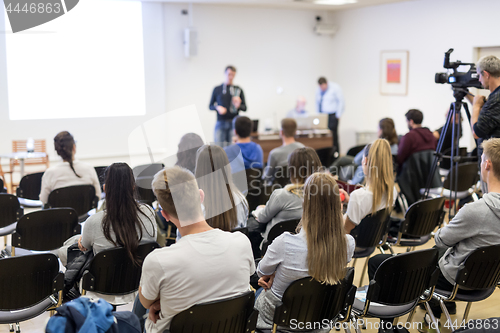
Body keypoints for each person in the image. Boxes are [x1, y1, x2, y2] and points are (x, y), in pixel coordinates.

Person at [369, 138, 500, 333]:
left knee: (380, 262)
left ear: (487, 164)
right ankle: (435, 311)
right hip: (486, 280)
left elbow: (440, 239)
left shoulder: (475, 211)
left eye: (481, 159)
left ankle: (387, 329)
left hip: (454, 280)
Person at [138, 166, 255, 333]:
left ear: (165, 215)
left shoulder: (159, 260)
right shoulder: (241, 243)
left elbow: (145, 302)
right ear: (201, 196)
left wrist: (162, 302)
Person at [254, 172, 355, 331]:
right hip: (320, 315)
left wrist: (274, 274)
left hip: (278, 319)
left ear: (305, 204)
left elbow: (261, 272)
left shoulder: (285, 243)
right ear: (338, 205)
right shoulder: (348, 243)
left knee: (257, 292)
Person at [78, 163, 157, 304]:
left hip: (103, 288)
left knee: (69, 249)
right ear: (133, 187)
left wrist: (81, 242)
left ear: (105, 189)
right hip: (139, 282)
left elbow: (85, 246)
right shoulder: (149, 212)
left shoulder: (94, 222)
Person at [252, 147, 322, 244]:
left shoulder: (281, 195)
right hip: (310, 246)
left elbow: (262, 218)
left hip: (275, 247)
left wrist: (259, 209)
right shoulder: (324, 195)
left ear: (292, 170)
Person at [343, 139, 396, 234]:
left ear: (365, 161)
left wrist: (337, 209)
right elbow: (369, 204)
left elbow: (345, 232)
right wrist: (350, 200)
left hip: (354, 245)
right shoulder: (392, 191)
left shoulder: (358, 196)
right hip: (373, 241)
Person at [195, 144, 248, 230]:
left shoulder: (193, 205)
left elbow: (182, 238)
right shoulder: (241, 200)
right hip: (233, 243)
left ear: (199, 170)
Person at [39, 131, 101, 204]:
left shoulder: (50, 173)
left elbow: (44, 200)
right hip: (86, 215)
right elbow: (98, 196)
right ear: (74, 147)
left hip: (60, 215)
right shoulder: (89, 168)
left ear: (57, 151)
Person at [209, 65, 247, 145]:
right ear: (225, 73)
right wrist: (218, 108)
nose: (231, 77)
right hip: (220, 122)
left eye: (233, 75)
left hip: (233, 123)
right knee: (218, 148)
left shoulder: (238, 90)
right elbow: (210, 106)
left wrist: (238, 105)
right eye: (229, 74)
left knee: (232, 149)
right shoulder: (217, 89)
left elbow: (245, 108)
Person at [262, 118, 305, 185]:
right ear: (295, 131)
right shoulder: (303, 148)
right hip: (299, 187)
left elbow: (267, 177)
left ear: (281, 132)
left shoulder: (274, 153)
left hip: (279, 190)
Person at [316, 77, 345, 155]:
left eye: (323, 86)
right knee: (323, 136)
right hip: (323, 115)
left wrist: (338, 115)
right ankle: (326, 155)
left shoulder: (335, 88)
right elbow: (317, 103)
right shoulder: (318, 90)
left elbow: (341, 101)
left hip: (333, 115)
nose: (322, 88)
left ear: (326, 83)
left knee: (333, 136)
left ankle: (335, 154)